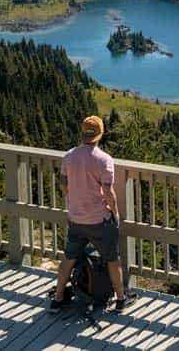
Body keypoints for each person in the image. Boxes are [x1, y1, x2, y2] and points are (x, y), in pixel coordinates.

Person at [49, 115, 136, 313]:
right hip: (99, 220)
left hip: (76, 219)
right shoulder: (104, 160)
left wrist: (76, 201)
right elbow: (108, 192)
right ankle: (121, 299)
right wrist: (115, 212)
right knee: (113, 259)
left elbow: (63, 184)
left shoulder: (69, 156)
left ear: (82, 133)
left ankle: (58, 298)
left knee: (68, 258)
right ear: (100, 134)